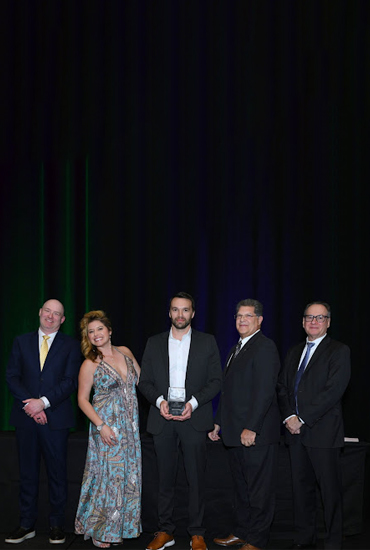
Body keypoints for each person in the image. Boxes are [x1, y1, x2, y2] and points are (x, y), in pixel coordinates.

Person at [138, 292, 222, 550]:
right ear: (170, 313)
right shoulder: (154, 342)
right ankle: (165, 531)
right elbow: (145, 382)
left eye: (185, 310)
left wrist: (193, 404)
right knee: (164, 479)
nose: (180, 315)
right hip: (162, 418)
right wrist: (160, 401)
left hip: (193, 418)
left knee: (196, 479)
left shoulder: (207, 342)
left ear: (193, 314)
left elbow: (216, 381)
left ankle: (197, 533)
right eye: (176, 310)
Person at [5, 299, 81, 545]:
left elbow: (70, 381)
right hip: (26, 418)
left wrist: (44, 403)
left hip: (55, 419)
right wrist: (32, 405)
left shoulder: (71, 345)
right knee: (27, 473)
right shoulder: (21, 341)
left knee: (57, 474)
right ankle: (26, 524)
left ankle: (57, 525)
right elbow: (12, 376)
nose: (50, 316)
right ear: (40, 313)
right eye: (47, 311)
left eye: (56, 313)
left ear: (62, 320)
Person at [277, 301, 351, 550]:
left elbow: (333, 392)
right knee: (301, 491)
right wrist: (289, 417)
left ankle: (333, 542)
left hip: (323, 433)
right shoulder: (293, 351)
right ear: (302, 322)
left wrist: (302, 418)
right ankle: (304, 539)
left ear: (328, 322)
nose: (314, 322)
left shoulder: (339, 351)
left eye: (320, 318)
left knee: (330, 493)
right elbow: (282, 387)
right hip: (294, 433)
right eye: (309, 317)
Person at [209, 299, 281, 550]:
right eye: (239, 315)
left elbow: (265, 392)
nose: (242, 320)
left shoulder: (265, 347)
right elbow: (228, 393)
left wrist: (253, 427)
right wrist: (218, 422)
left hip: (255, 435)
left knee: (259, 491)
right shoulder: (236, 347)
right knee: (242, 489)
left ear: (259, 320)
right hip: (234, 433)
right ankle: (241, 532)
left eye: (248, 316)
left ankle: (257, 540)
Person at [74, 310, 141, 549]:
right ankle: (99, 529)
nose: (95, 334)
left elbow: (143, 383)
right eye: (90, 332)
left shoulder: (126, 353)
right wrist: (101, 426)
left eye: (99, 329)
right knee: (106, 479)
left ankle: (122, 527)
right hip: (107, 429)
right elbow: (82, 399)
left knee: (127, 478)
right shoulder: (90, 363)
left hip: (130, 429)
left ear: (110, 330)